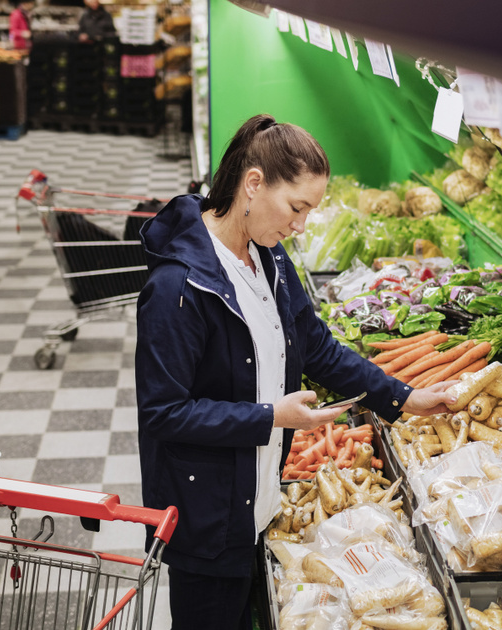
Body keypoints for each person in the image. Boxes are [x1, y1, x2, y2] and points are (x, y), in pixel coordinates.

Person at [134, 114, 459, 629]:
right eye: (296, 207)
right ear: (254, 183)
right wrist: (270, 417)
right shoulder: (178, 288)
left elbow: (318, 348)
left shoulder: (271, 261)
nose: (301, 225)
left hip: (255, 504)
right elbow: (164, 413)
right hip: (206, 520)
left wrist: (403, 397)